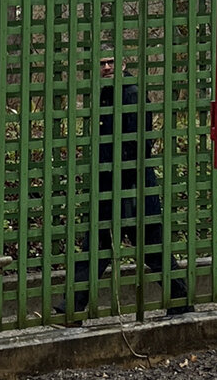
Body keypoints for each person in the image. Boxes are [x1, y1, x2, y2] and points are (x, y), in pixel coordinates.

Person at [70, 59, 186, 315]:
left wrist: (121, 182)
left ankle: (181, 299)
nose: (107, 67)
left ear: (122, 63)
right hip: (112, 185)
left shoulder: (131, 93)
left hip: (132, 187)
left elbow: (138, 145)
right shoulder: (106, 93)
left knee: (151, 249)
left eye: (112, 62)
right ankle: (72, 309)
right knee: (97, 248)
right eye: (101, 63)